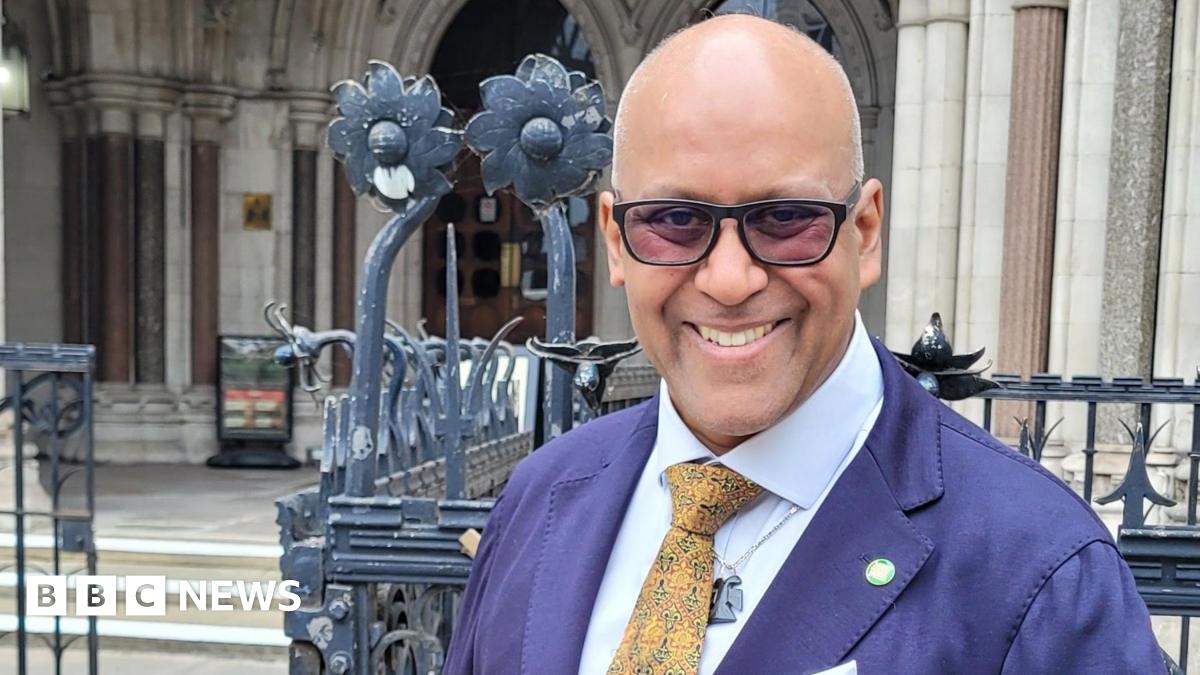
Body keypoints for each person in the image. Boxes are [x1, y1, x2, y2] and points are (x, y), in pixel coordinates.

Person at [444, 14, 1164, 675]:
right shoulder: (539, 501)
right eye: (673, 219)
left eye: (786, 217)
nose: (729, 279)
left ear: (865, 231)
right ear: (617, 241)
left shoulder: (1036, 571)